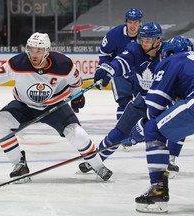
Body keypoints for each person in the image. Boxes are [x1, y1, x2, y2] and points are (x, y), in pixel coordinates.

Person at [0, 32, 113, 181]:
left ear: (47, 51)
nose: (34, 54)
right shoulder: (18, 63)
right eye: (31, 49)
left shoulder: (64, 65)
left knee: (79, 136)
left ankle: (99, 166)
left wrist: (77, 96)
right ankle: (19, 165)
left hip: (55, 106)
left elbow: (75, 82)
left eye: (38, 50)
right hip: (24, 106)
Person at [78, 26, 193, 177]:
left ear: (157, 41)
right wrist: (109, 70)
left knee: (171, 125)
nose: (143, 43)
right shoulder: (135, 49)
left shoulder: (168, 53)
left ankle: (170, 160)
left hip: (166, 100)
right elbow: (122, 61)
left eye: (147, 40)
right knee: (120, 131)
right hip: (143, 99)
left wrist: (144, 126)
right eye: (142, 39)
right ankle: (97, 159)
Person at [133, 50, 194, 213]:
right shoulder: (189, 62)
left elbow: (154, 106)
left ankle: (157, 192)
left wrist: (143, 126)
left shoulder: (171, 61)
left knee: (153, 130)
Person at [98, 8, 143, 120]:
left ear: (140, 23)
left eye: (136, 22)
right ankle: (122, 134)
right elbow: (104, 55)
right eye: (130, 22)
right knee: (124, 103)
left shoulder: (146, 36)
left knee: (144, 102)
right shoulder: (114, 35)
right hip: (120, 75)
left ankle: (141, 131)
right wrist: (104, 70)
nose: (133, 26)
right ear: (126, 22)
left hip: (140, 74)